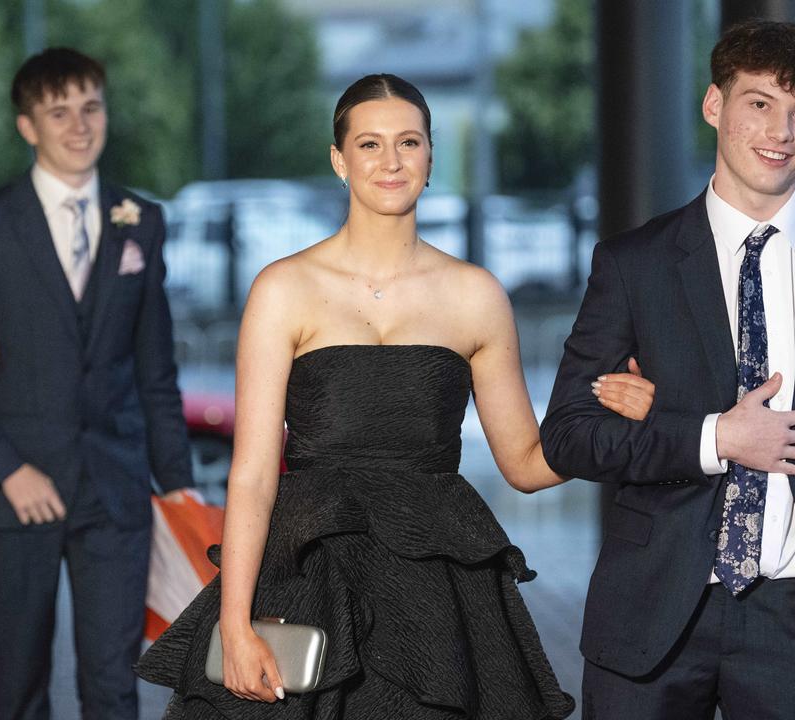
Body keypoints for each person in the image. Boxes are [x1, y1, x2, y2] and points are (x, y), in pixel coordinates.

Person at [135, 73, 653, 719]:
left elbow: (524, 462)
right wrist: (235, 624)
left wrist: (613, 421)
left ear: (431, 155)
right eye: (371, 144)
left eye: (408, 142)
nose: (390, 161)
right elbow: (253, 476)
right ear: (339, 159)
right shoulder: (283, 289)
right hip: (307, 573)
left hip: (437, 594)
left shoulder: (476, 296)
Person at [540, 20, 795, 720]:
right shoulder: (636, 263)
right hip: (652, 611)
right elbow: (567, 434)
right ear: (714, 106)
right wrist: (714, 438)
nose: (780, 132)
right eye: (759, 104)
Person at [0, 47, 194, 720]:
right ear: (27, 127)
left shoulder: (141, 220)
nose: (79, 125)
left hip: (116, 494)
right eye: (57, 111)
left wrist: (177, 484)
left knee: (116, 685)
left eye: (90, 107)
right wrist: (6, 471)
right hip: (16, 495)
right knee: (16, 685)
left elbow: (156, 371)